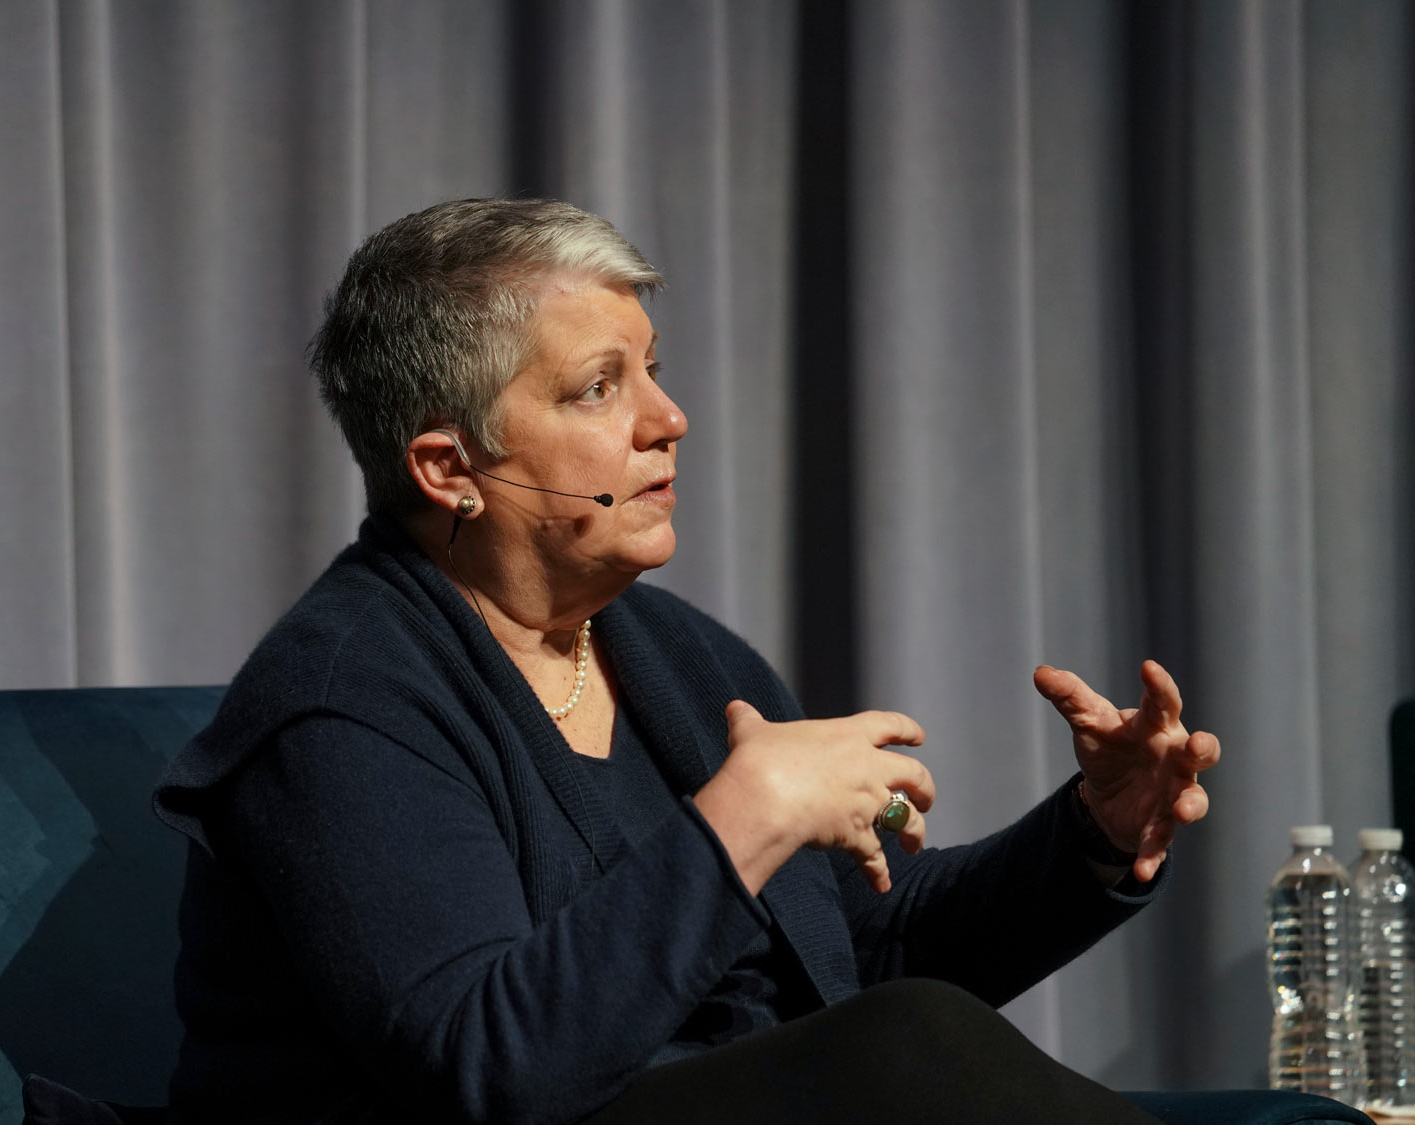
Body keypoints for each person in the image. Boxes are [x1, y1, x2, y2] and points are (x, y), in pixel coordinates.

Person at [153, 199, 1222, 1124]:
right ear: (449, 467)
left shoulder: (674, 653)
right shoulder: (343, 707)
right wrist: (745, 819)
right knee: (908, 1045)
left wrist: (1091, 835)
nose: (668, 420)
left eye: (652, 373)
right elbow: (483, 1068)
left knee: (909, 1033)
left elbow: (862, 953)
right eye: (597, 389)